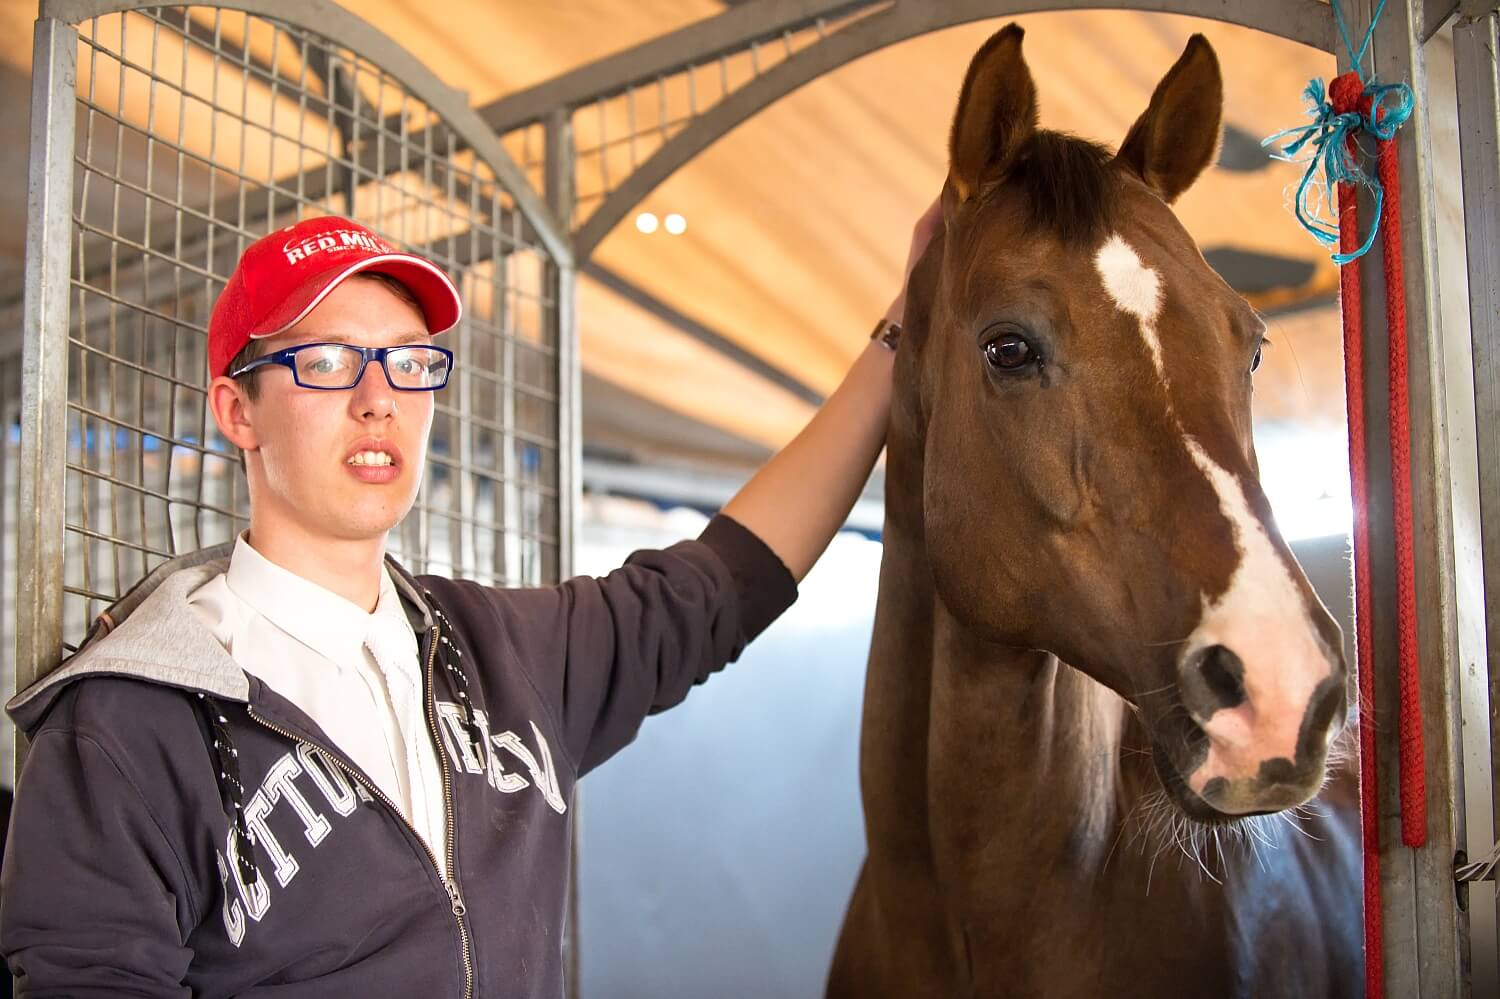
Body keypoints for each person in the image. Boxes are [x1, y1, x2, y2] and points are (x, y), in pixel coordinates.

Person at [0, 201, 941, 997]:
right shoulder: (124, 726)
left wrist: (907, 325)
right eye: (327, 362)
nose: (380, 399)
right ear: (237, 411)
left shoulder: (502, 652)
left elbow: (722, 586)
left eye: (410, 361)